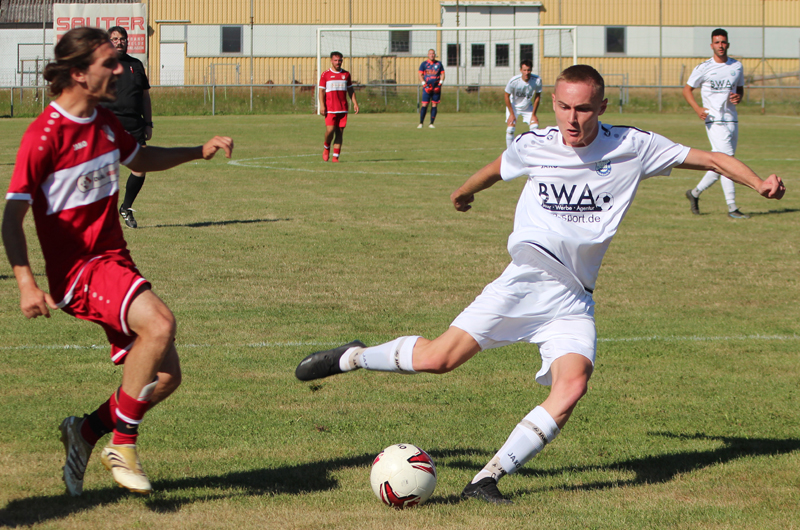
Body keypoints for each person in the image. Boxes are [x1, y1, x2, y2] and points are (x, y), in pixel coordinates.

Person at [295, 65, 785, 504]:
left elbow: (713, 159)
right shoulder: (535, 144)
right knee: (437, 360)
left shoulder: (633, 146)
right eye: (565, 107)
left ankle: (487, 478)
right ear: (554, 103)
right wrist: (463, 192)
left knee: (573, 384)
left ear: (602, 107)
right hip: (524, 283)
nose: (573, 119)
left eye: (584, 109)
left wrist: (758, 182)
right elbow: (497, 168)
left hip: (574, 299)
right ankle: (353, 357)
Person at [2, 27, 233, 497]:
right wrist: (26, 282)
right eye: (108, 63)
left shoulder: (105, 122)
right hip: (79, 272)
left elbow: (140, 158)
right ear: (78, 73)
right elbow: (11, 218)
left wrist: (197, 151)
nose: (119, 71)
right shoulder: (44, 136)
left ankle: (84, 432)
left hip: (114, 262)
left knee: (165, 377)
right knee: (160, 323)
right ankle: (122, 445)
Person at [683, 28, 747, 218]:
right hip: (714, 120)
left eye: (723, 42)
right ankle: (732, 208)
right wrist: (697, 109)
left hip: (731, 118)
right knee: (728, 161)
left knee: (721, 164)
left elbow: (740, 89)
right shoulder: (703, 68)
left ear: (728, 44)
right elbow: (687, 90)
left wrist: (738, 97)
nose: (720, 45)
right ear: (712, 45)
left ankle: (694, 193)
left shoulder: (737, 66)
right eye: (717, 42)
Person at [99, 26, 152, 229]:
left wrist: (148, 123)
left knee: (141, 167)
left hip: (135, 124)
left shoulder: (136, 65)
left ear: (127, 41)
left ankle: (126, 208)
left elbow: (145, 97)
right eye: (114, 39)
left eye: (122, 39)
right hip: (109, 125)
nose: (119, 42)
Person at [319, 51, 359, 162]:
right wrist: (322, 105)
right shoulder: (325, 74)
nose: (338, 62)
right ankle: (326, 146)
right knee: (330, 130)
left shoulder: (346, 74)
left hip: (342, 108)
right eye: (335, 60)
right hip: (330, 108)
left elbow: (350, 90)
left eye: (339, 60)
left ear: (342, 61)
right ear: (331, 61)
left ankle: (335, 157)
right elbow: (321, 91)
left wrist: (355, 103)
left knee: (339, 132)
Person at [504, 59, 543, 148]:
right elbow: (506, 96)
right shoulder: (514, 81)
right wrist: (511, 114)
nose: (526, 72)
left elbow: (537, 96)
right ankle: (509, 152)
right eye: (524, 70)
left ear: (531, 70)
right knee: (510, 129)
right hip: (514, 107)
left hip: (527, 107)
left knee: (535, 127)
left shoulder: (537, 80)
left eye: (528, 70)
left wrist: (534, 114)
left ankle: (532, 150)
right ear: (520, 70)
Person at [418, 49, 445, 129]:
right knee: (424, 104)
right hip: (427, 88)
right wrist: (424, 85)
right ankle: (421, 123)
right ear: (428, 55)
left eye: (433, 54)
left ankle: (431, 123)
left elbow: (443, 74)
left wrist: (439, 85)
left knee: (434, 104)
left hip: (436, 88)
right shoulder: (424, 64)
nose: (432, 55)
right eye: (430, 53)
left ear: (435, 55)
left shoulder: (439, 64)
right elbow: (420, 75)